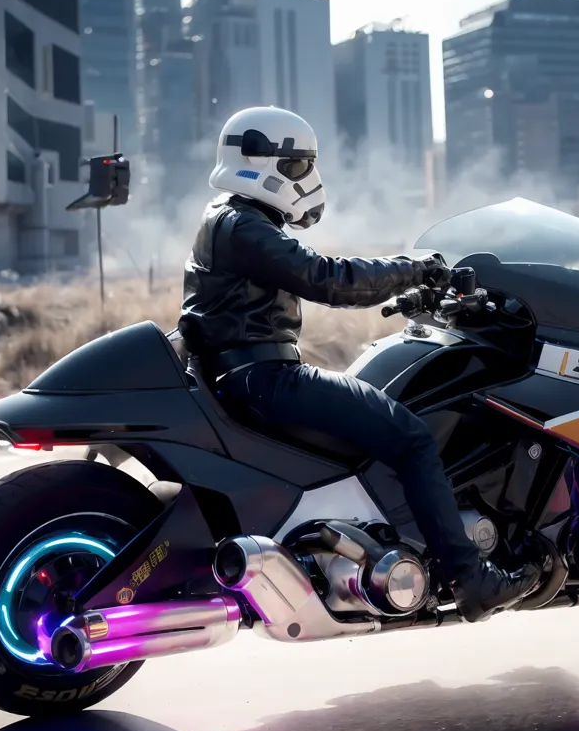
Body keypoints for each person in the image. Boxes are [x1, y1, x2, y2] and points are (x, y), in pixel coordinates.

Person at [178, 106, 540, 622]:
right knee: (414, 438)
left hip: (244, 377)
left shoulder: (229, 220)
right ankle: (472, 577)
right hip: (267, 379)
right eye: (299, 165)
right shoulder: (242, 224)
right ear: (263, 162)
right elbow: (329, 278)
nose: (306, 178)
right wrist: (415, 269)